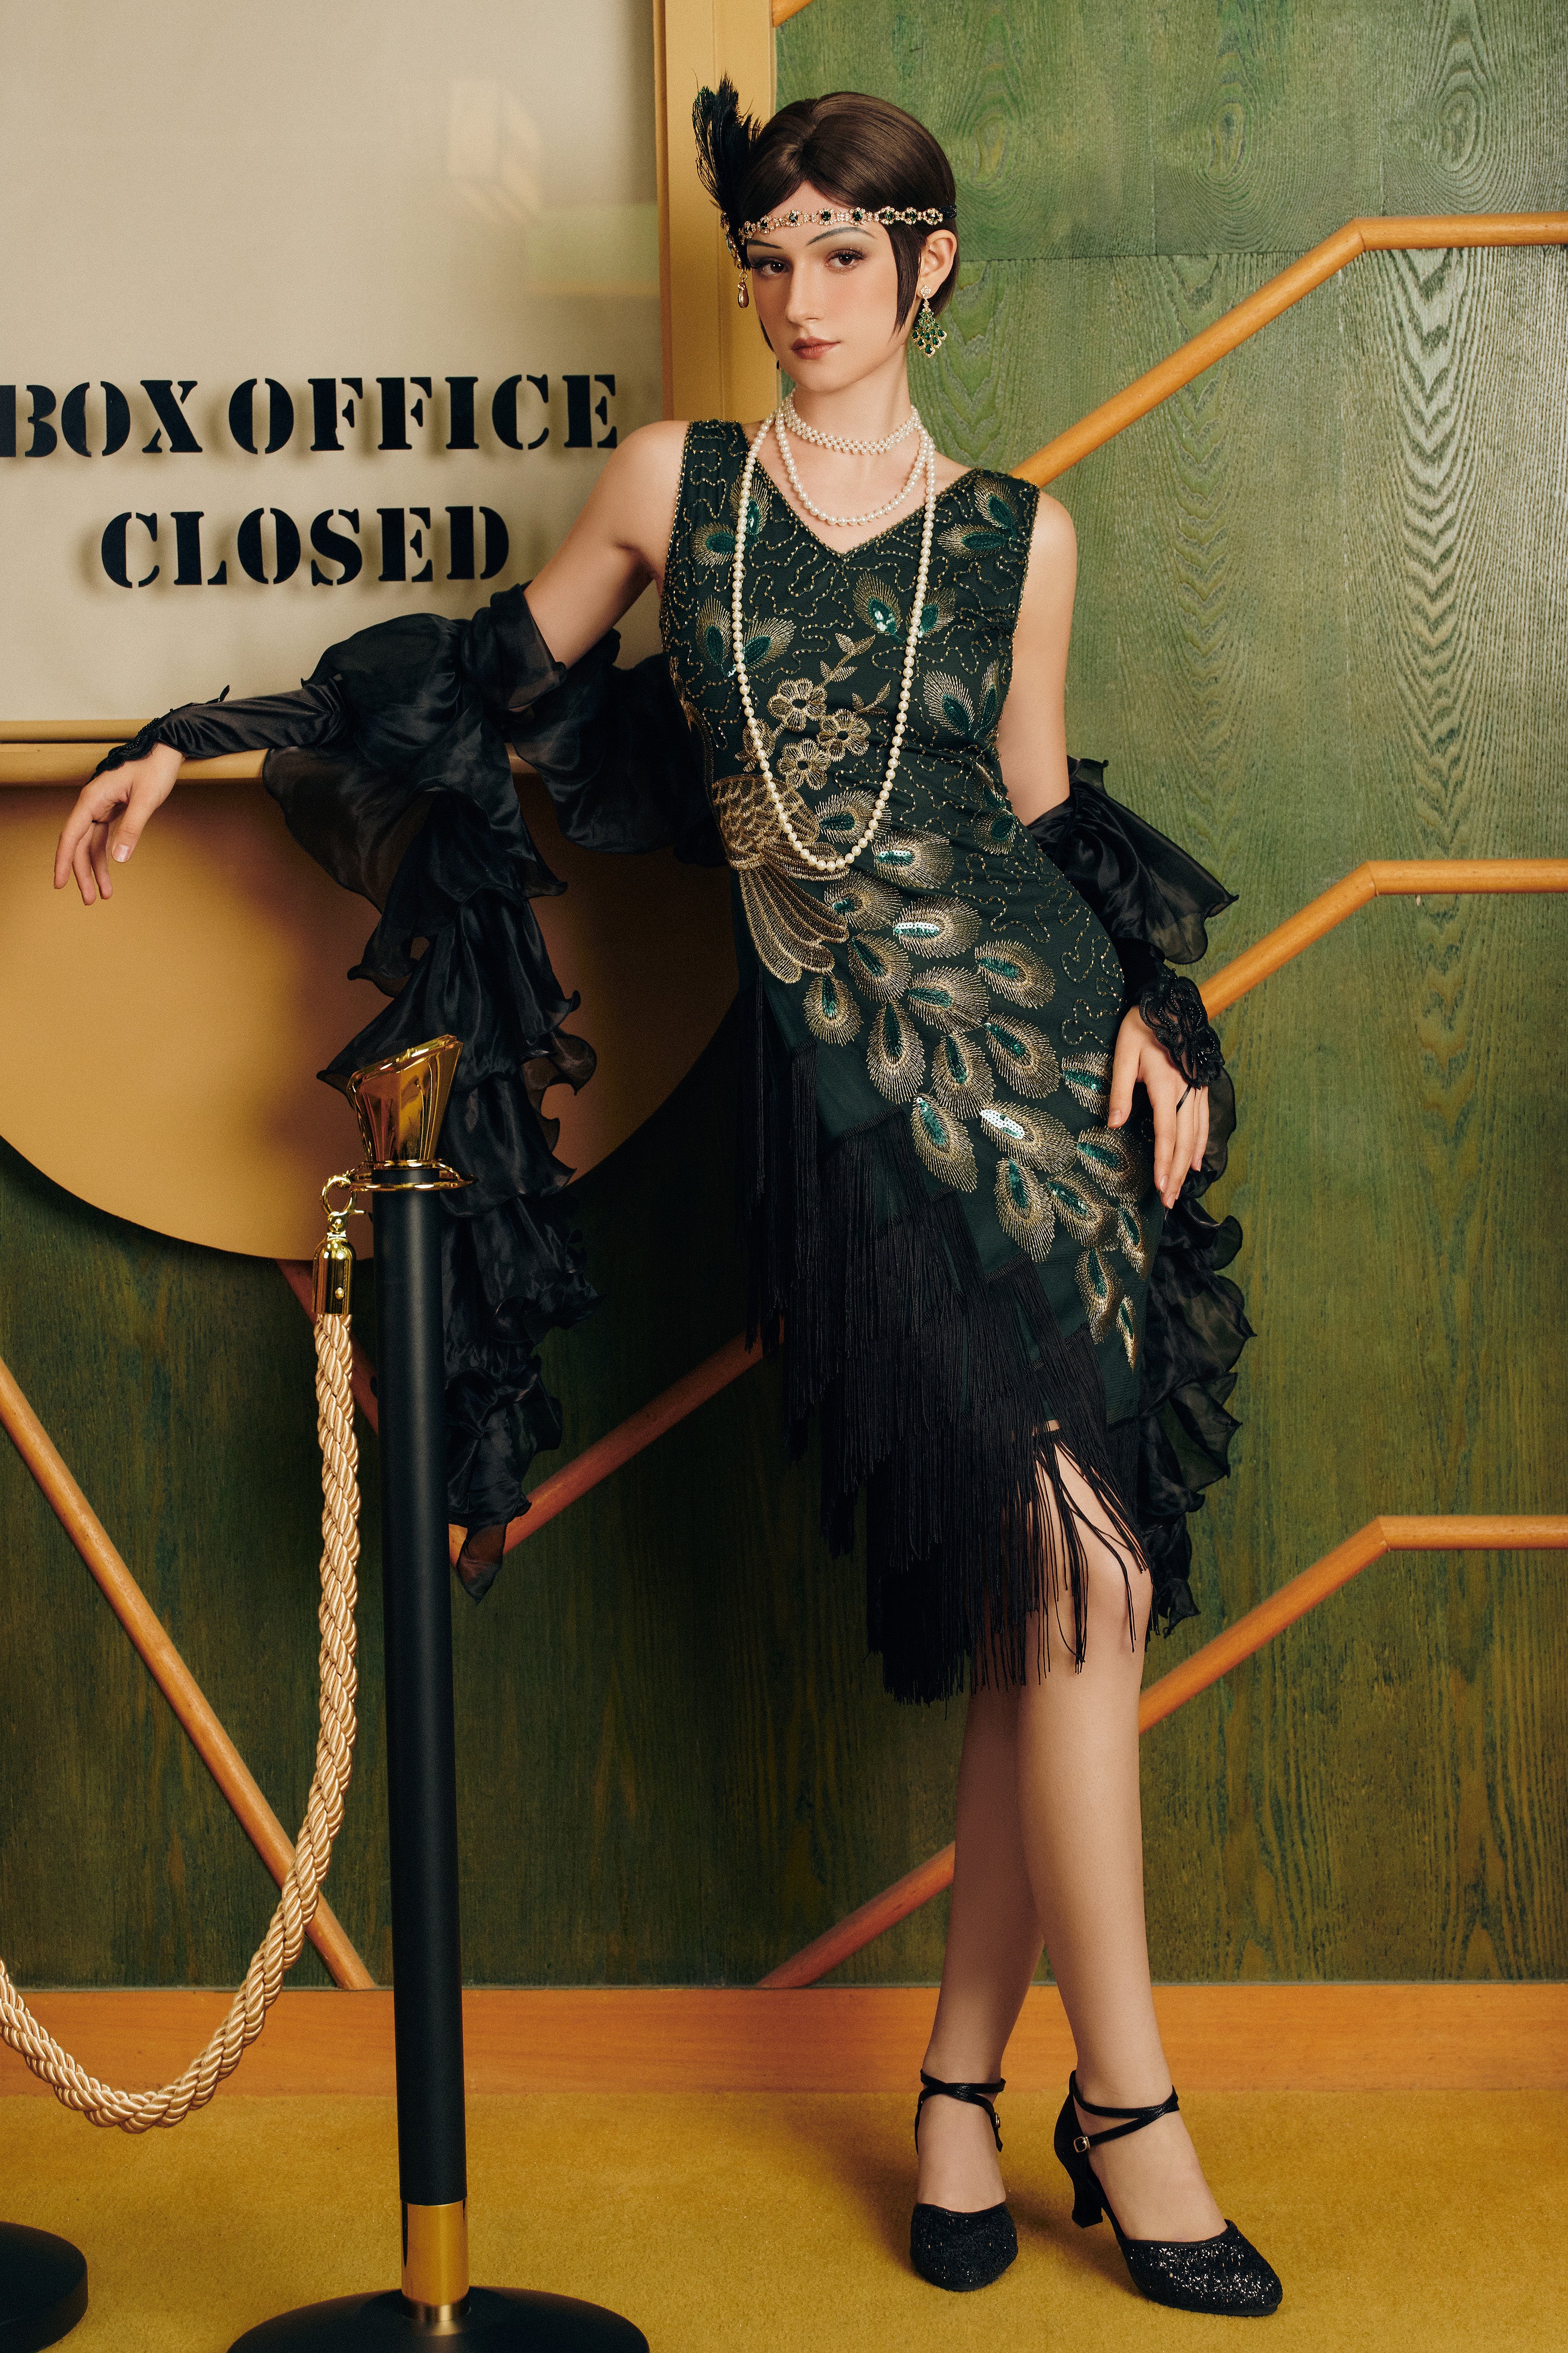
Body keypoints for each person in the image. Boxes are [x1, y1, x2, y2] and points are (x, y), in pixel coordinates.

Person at [53, 83, 1275, 2315]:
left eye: (844, 254)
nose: (800, 298)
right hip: (860, 1116)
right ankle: (1133, 2105)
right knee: (1072, 1581)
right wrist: (198, 731)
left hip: (1053, 1088)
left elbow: (1037, 816)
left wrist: (1160, 1014)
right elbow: (476, 688)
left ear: (929, 264)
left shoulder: (1024, 535)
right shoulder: (672, 488)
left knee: (1058, 1602)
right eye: (769, 260)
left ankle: (962, 2087)